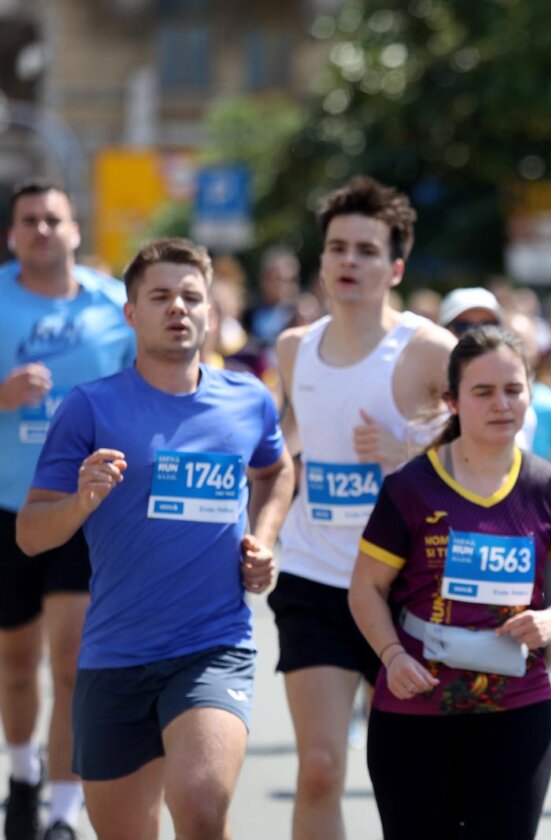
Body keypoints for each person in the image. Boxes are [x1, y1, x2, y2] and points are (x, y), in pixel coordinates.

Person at [14, 237, 294, 839]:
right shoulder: (90, 408)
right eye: (160, 296)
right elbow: (31, 534)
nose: (178, 308)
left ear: (210, 311)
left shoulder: (247, 400)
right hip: (114, 654)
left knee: (201, 806)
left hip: (212, 644)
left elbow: (276, 471)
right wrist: (80, 502)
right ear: (131, 312)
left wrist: (264, 537)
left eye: (191, 296)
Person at [348, 326, 551, 840]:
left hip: (518, 709)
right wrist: (391, 656)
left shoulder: (550, 488)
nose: (501, 404)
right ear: (452, 401)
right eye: (483, 391)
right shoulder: (410, 487)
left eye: (513, 390)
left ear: (530, 396)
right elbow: (366, 588)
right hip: (416, 706)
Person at [270, 177, 455, 840]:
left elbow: (497, 443)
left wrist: (410, 451)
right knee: (320, 768)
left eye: (367, 250)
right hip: (314, 577)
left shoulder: (429, 350)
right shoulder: (294, 348)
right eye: (337, 248)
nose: (349, 260)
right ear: (321, 260)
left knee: (405, 775)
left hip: (405, 585)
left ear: (395, 268)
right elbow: (286, 444)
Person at [0, 178, 134, 840]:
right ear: (12, 234)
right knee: (15, 664)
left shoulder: (114, 307)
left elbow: (149, 391)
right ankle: (22, 775)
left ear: (76, 230)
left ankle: (61, 811)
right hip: (6, 507)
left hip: (85, 511)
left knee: (73, 663)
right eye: (29, 220)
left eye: (53, 219)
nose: (42, 230)